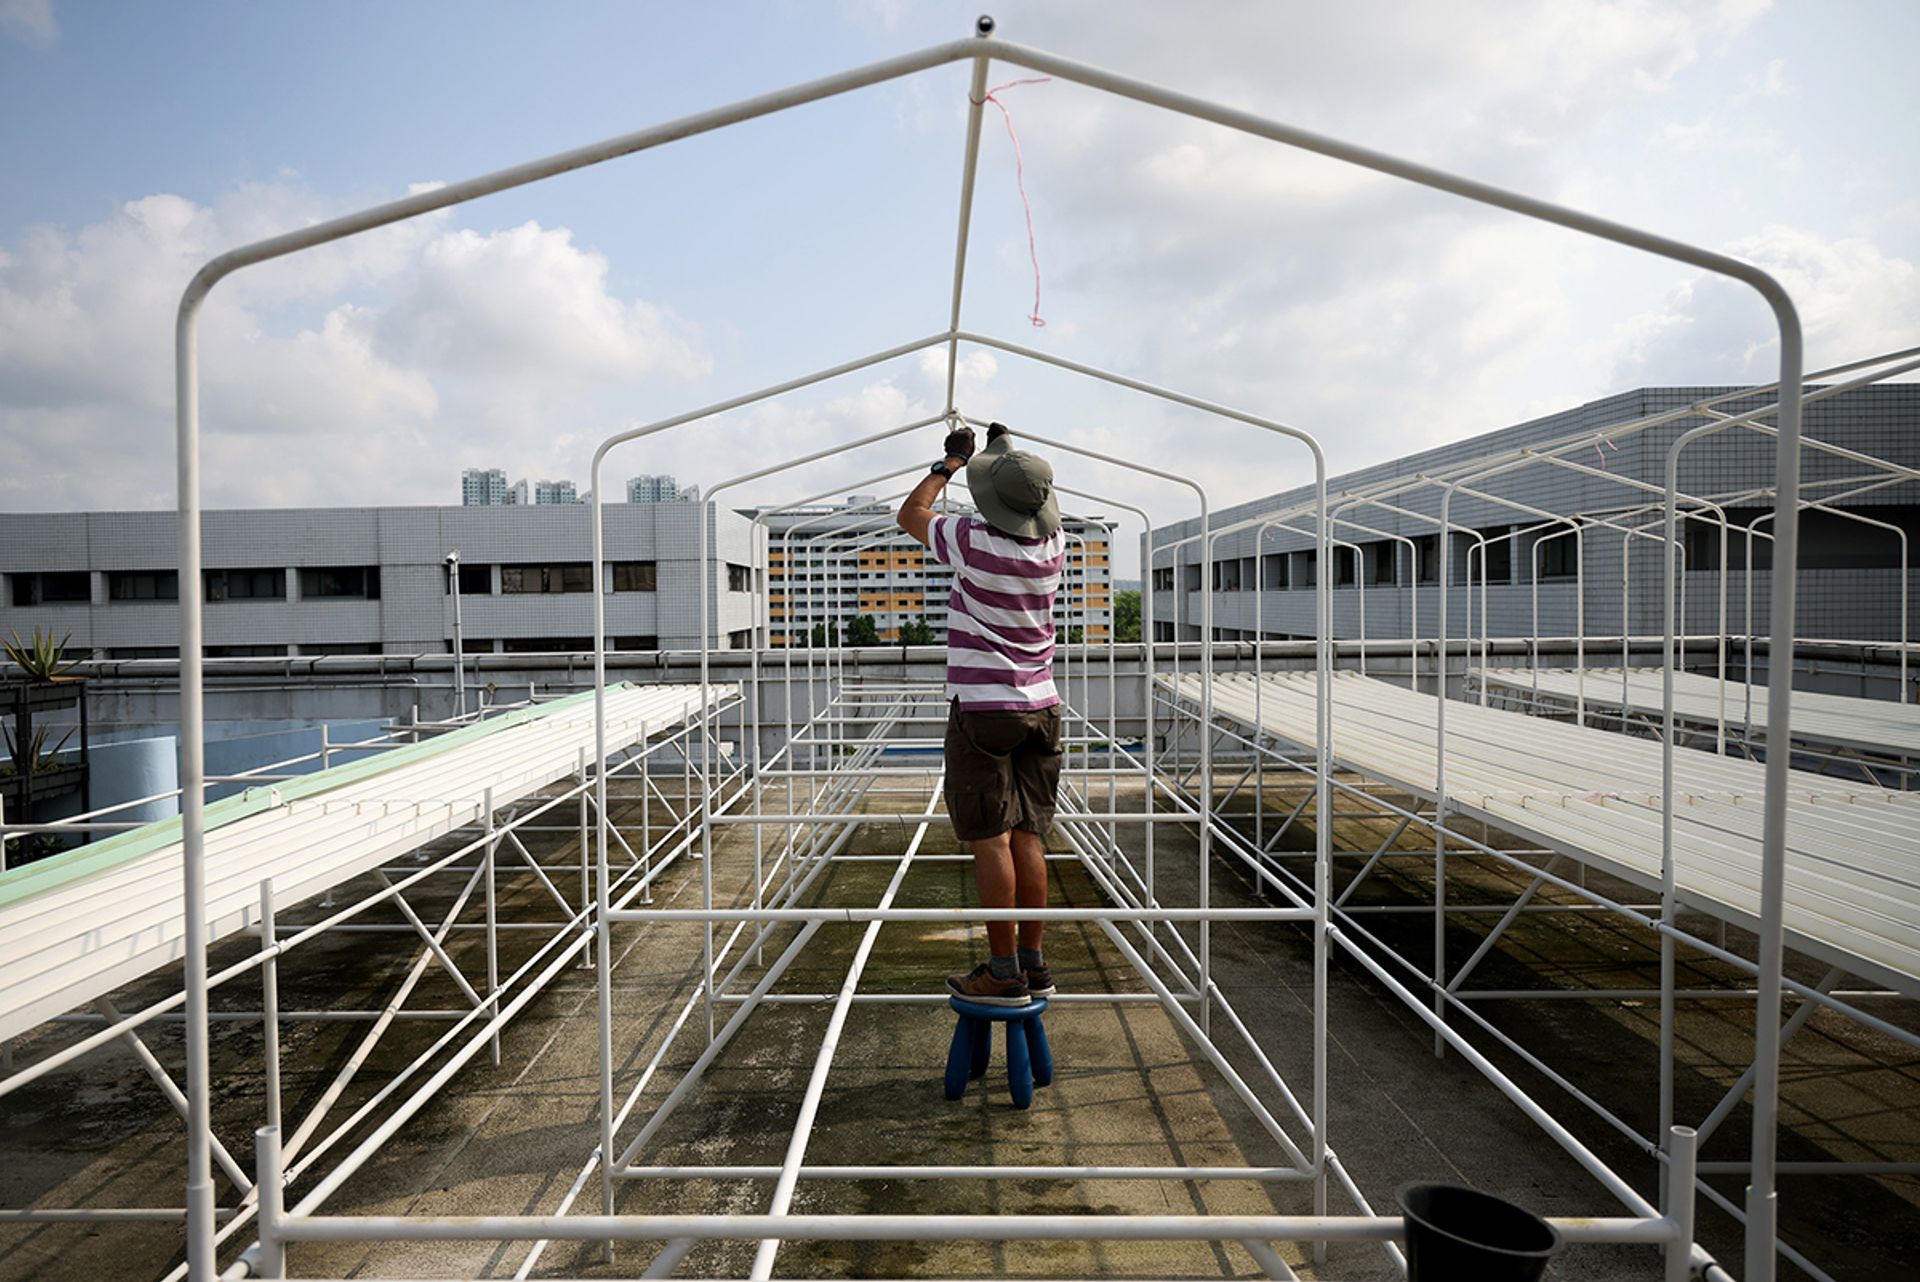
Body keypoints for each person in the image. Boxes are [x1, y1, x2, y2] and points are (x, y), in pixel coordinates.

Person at [896, 420, 1065, 1007]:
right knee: (1029, 836)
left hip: (985, 710)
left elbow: (911, 514)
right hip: (1041, 706)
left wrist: (950, 463)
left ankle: (1000, 969)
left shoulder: (972, 540)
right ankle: (1032, 963)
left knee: (991, 838)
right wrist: (1003, 453)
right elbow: (1023, 499)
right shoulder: (1054, 545)